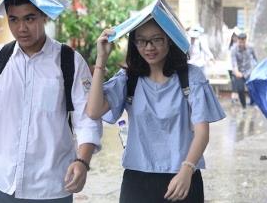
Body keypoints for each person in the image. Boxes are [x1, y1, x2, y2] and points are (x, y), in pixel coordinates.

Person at [0, 0, 102, 203]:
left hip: (50, 187)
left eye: (29, 18)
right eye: (14, 19)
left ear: (44, 17)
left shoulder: (69, 61)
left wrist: (82, 162)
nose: (21, 28)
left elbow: (87, 119)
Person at [86, 19, 225, 203]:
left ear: (169, 39)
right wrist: (101, 59)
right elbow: (94, 111)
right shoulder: (129, 78)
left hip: (182, 176)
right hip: (137, 180)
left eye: (156, 39)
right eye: (141, 41)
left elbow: (202, 133)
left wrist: (187, 170)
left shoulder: (191, 77)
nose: (148, 47)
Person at [231, 32, 257, 109]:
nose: (241, 44)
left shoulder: (250, 47)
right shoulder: (234, 49)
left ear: (245, 40)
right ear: (237, 41)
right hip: (238, 72)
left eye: (243, 42)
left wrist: (255, 68)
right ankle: (244, 106)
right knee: (240, 89)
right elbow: (234, 62)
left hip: (249, 71)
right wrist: (236, 72)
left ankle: (253, 103)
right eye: (240, 42)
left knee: (252, 88)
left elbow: (255, 58)